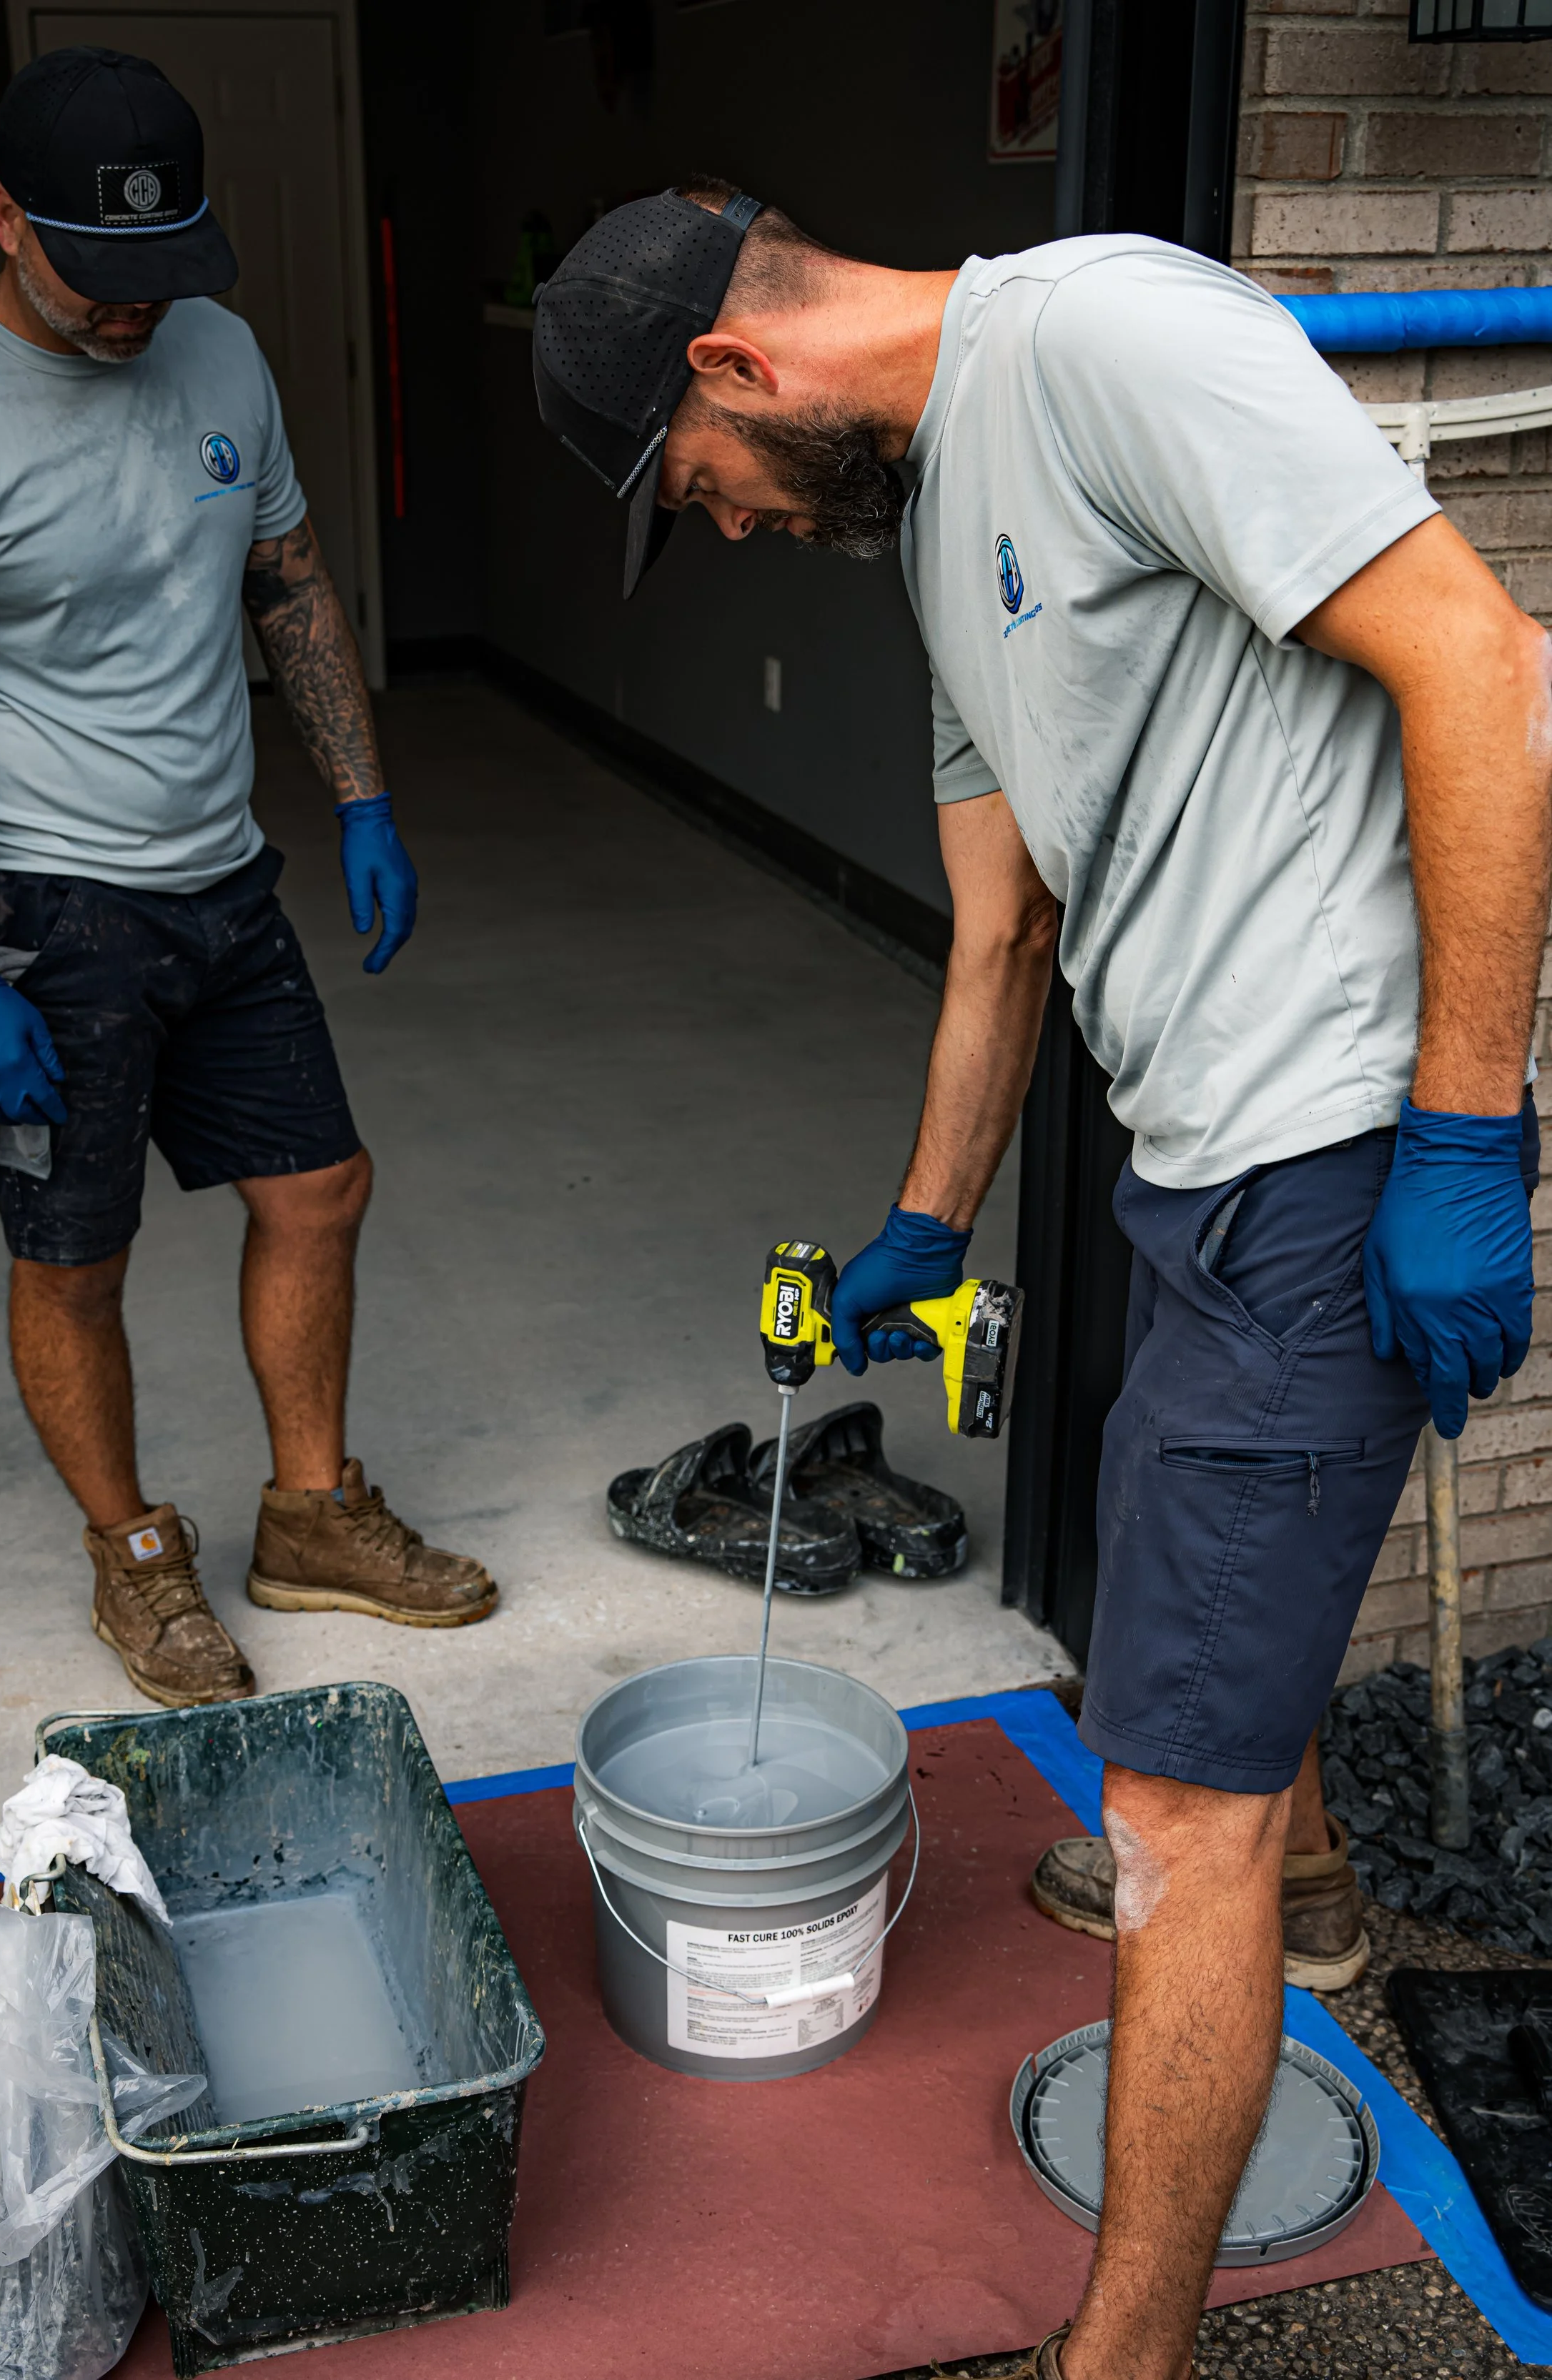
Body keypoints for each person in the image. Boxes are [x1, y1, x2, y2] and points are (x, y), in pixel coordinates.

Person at [533, 184, 1546, 2379]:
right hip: (1187, 1175)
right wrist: (927, 1221)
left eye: (689, 494)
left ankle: (1124, 2362)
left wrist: (1464, 1131)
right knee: (1205, 1725)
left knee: (1168, 1814)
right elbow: (1003, 932)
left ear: (733, 374)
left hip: (1325, 1152)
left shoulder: (1094, 345)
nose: (715, 531)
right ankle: (1311, 1895)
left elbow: (1485, 663)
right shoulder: (923, 537)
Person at [0, 46, 495, 1712]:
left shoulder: (222, 353)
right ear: (1, 220)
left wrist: (362, 797)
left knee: (317, 1187)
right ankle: (132, 1557)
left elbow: (288, 579)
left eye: (160, 273)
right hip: (49, 910)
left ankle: (312, 1516)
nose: (134, 314)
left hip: (222, 873)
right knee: (75, 1255)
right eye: (95, 277)